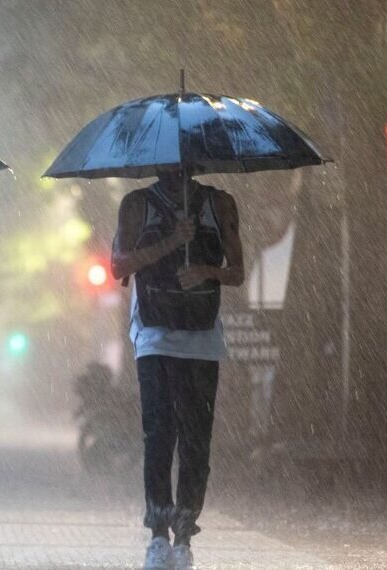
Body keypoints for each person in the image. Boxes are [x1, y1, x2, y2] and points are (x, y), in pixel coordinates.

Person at [111, 171, 244, 570]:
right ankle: (157, 534)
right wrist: (171, 242)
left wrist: (205, 271)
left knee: (195, 441)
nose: (178, 167)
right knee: (158, 433)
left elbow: (237, 272)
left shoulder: (219, 204)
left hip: (202, 340)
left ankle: (184, 536)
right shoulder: (137, 205)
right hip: (153, 336)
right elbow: (118, 265)